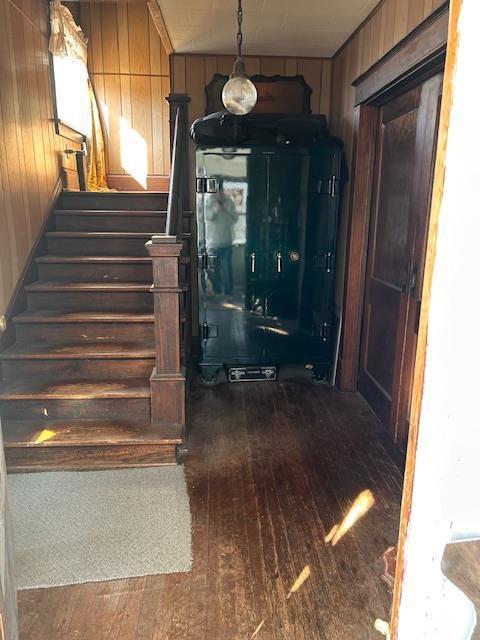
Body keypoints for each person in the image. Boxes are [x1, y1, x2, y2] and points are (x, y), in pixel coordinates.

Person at [205, 183, 239, 296]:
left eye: (220, 190)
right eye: (216, 191)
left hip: (226, 241)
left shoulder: (229, 202)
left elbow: (235, 219)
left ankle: (229, 291)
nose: (218, 193)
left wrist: (225, 210)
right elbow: (205, 217)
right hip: (212, 242)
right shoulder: (207, 202)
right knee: (213, 269)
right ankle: (217, 289)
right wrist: (215, 210)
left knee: (227, 269)